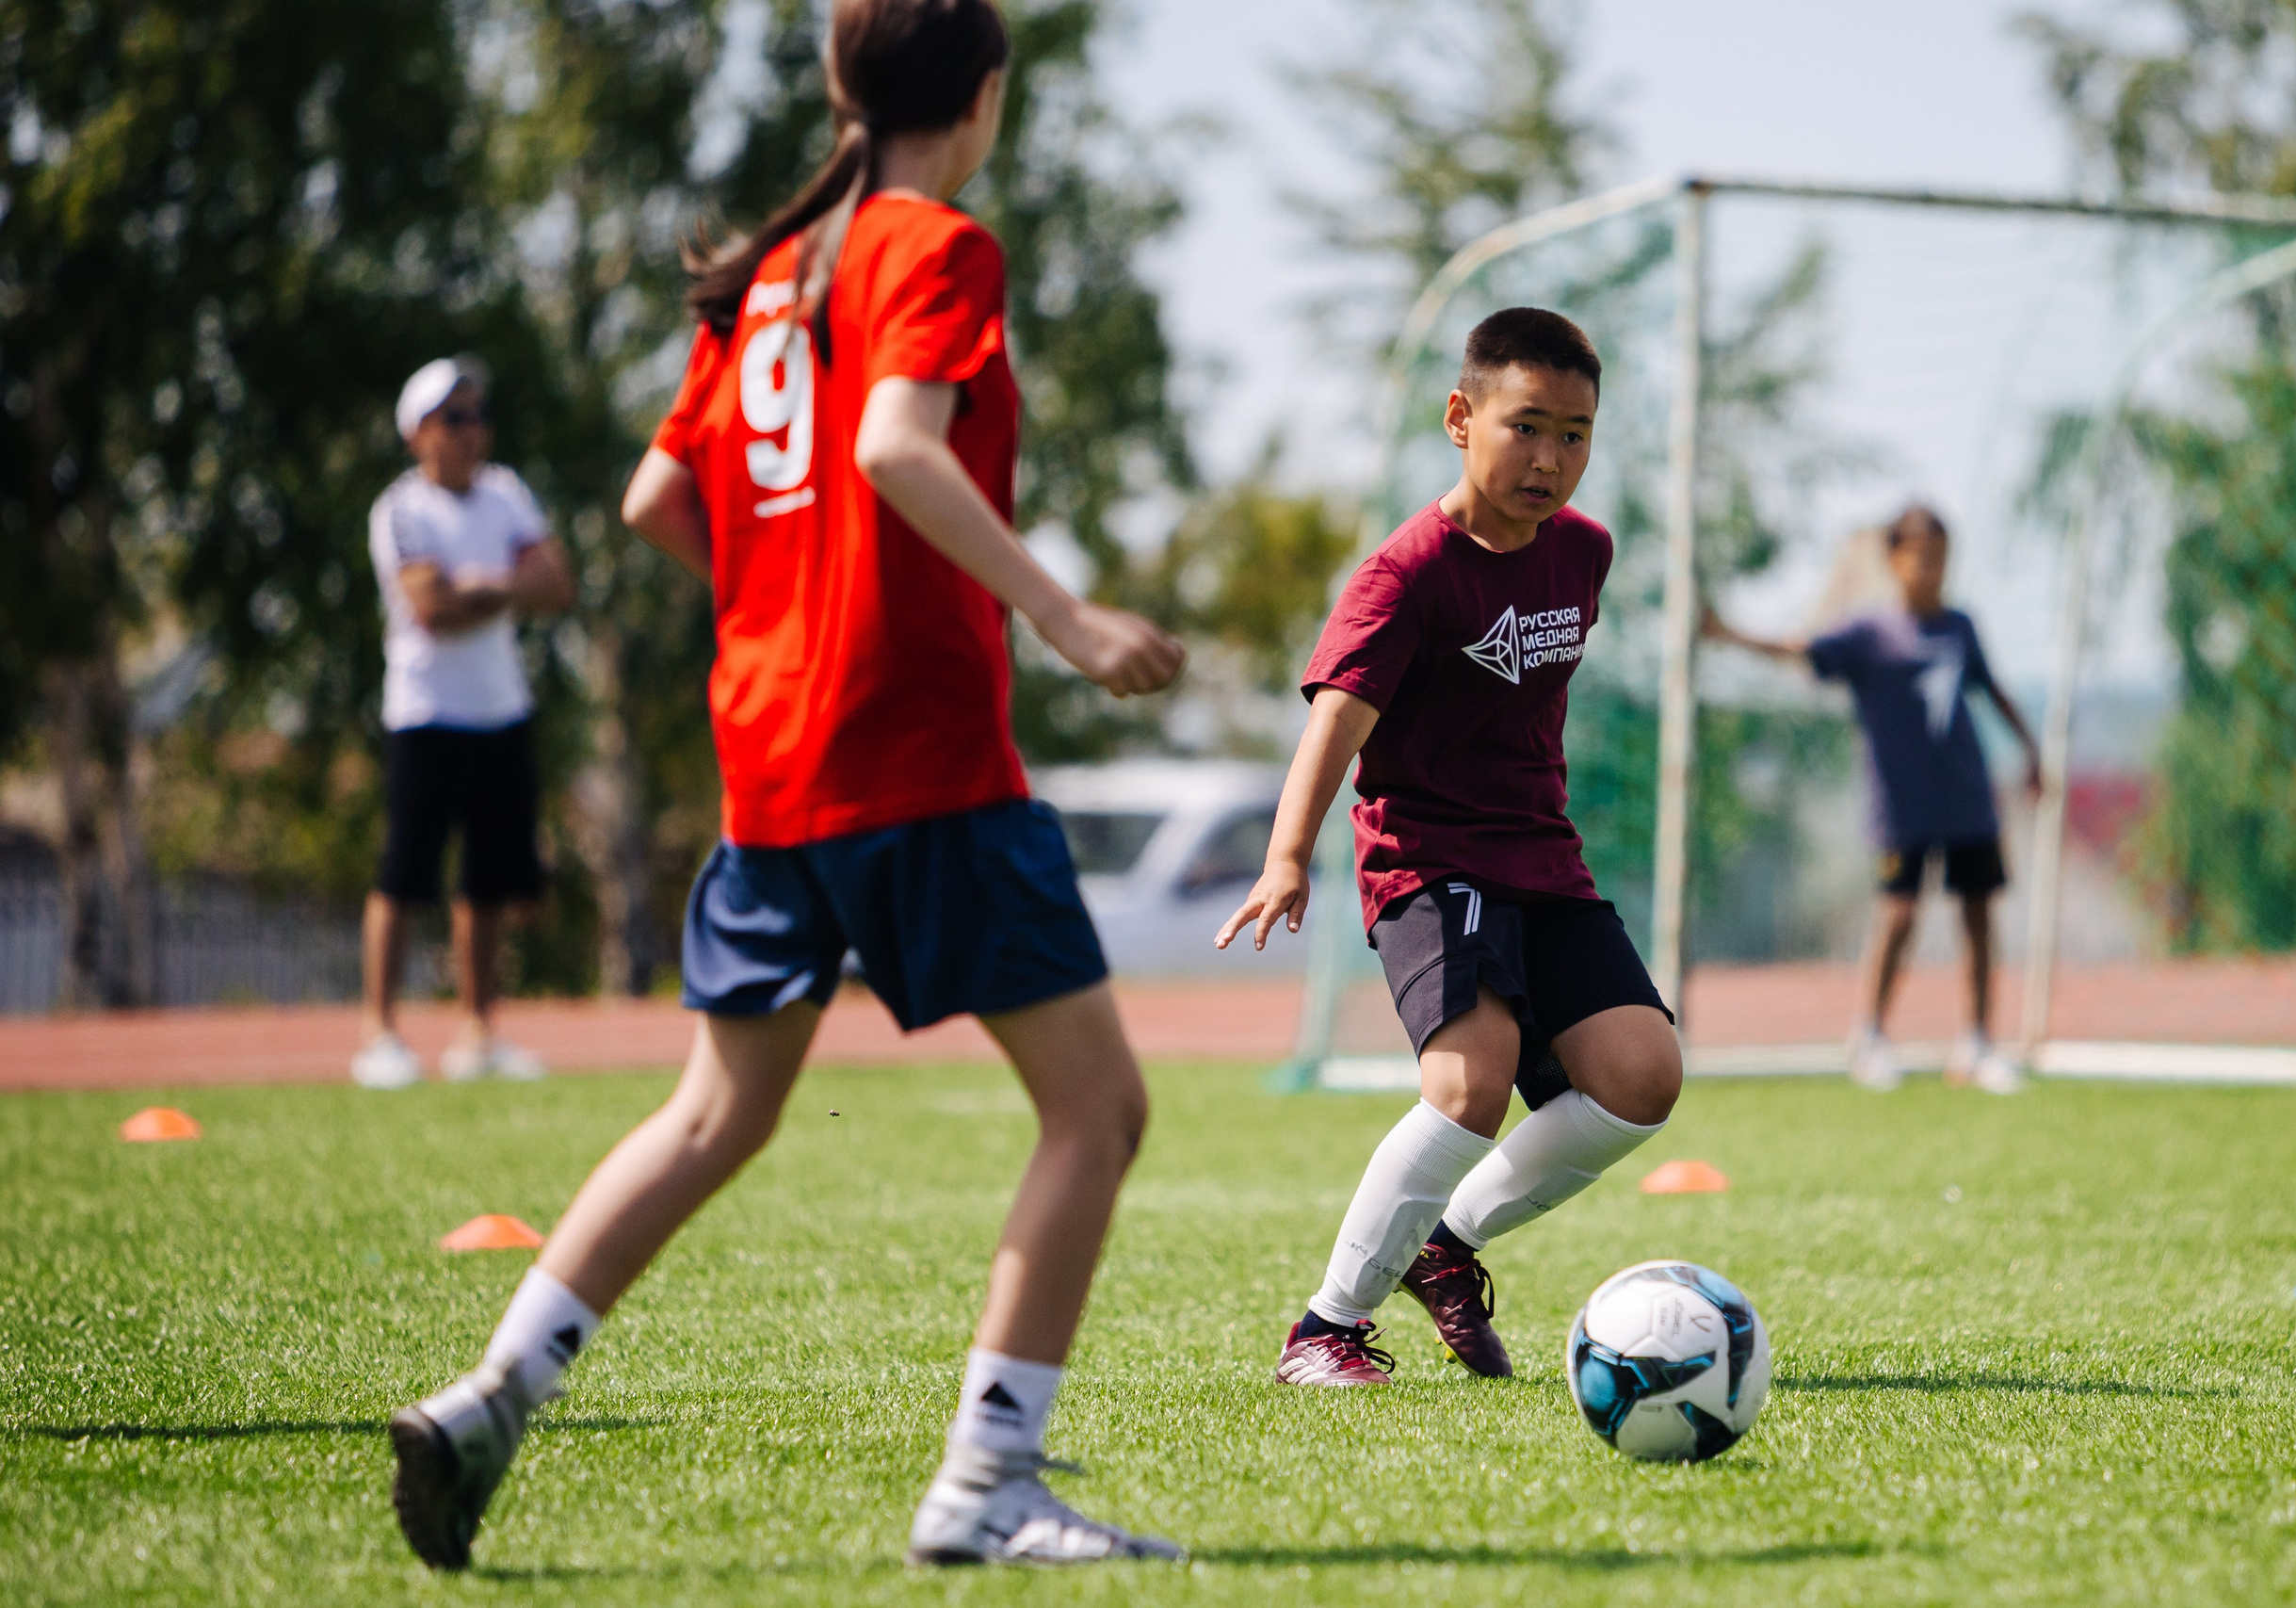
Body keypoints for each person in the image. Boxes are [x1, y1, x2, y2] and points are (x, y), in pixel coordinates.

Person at [383, 0, 1188, 1571]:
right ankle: (987, 1484)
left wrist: (782, 610)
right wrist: (1065, 613)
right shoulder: (932, 246)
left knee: (715, 1112)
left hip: (774, 763)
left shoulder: (764, 272)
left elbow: (655, 495)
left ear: (838, 85)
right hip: (921, 756)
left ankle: (490, 1395)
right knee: (1096, 1110)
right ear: (984, 97)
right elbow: (896, 444)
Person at [1216, 308, 1683, 1388]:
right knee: (1470, 1085)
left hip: (1543, 862)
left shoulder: (1584, 551)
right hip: (1430, 863)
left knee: (1642, 1077)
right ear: (1460, 419)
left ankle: (1445, 1246)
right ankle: (1324, 1331)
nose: (1549, 458)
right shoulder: (1404, 574)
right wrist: (1288, 857)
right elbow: (1334, 721)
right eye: (1526, 427)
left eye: (1574, 434)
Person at [1703, 504, 2043, 1094]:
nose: (1932, 569)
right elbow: (1799, 649)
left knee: (1979, 914)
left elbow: (1992, 690)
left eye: (1941, 558)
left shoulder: (1959, 626)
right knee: (1901, 913)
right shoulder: (1868, 634)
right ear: (1894, 560)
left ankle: (1979, 1043)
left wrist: (2031, 752)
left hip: (1966, 795)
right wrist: (1729, 635)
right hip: (1901, 804)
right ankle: (1871, 1035)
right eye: (1921, 557)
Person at [352, 356, 575, 1091]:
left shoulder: (506, 491)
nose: (473, 429)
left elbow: (557, 583)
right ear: (419, 433)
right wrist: (504, 586)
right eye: (456, 417)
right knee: (404, 873)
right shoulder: (401, 510)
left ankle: (479, 1031)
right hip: (426, 713)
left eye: (478, 414)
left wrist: (482, 584)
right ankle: (381, 1033)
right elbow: (433, 610)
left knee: (490, 880)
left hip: (500, 709)